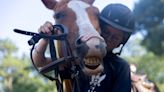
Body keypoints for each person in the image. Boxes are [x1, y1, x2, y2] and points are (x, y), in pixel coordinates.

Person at [32, 3, 135, 92]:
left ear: (121, 42)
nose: (108, 38)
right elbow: (40, 62)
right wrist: (45, 38)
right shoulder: (78, 55)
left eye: (115, 38)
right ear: (97, 28)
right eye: (106, 32)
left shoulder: (120, 67)